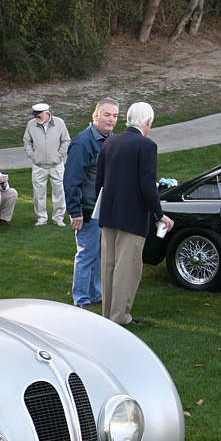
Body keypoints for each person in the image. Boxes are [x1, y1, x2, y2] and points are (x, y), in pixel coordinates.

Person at [95, 101, 173, 326]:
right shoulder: (146, 146)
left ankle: (107, 315)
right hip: (132, 215)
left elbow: (99, 181)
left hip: (109, 214)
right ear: (148, 121)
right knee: (126, 269)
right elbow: (148, 187)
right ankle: (120, 318)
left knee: (108, 266)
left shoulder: (110, 143)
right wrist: (159, 215)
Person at [63, 98, 120, 308]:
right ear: (95, 116)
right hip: (87, 209)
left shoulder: (111, 139)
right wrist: (75, 211)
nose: (111, 120)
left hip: (104, 208)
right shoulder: (84, 142)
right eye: (107, 115)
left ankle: (96, 294)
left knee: (99, 253)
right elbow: (71, 179)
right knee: (87, 253)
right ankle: (82, 299)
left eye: (115, 116)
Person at [23, 103, 70, 226]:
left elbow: (66, 140)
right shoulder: (31, 125)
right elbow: (27, 140)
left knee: (59, 191)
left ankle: (58, 217)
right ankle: (41, 218)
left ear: (47, 114)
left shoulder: (59, 123)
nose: (36, 119)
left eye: (39, 116)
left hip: (56, 164)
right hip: (39, 165)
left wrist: (60, 155)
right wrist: (32, 155)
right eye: (35, 116)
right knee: (39, 193)